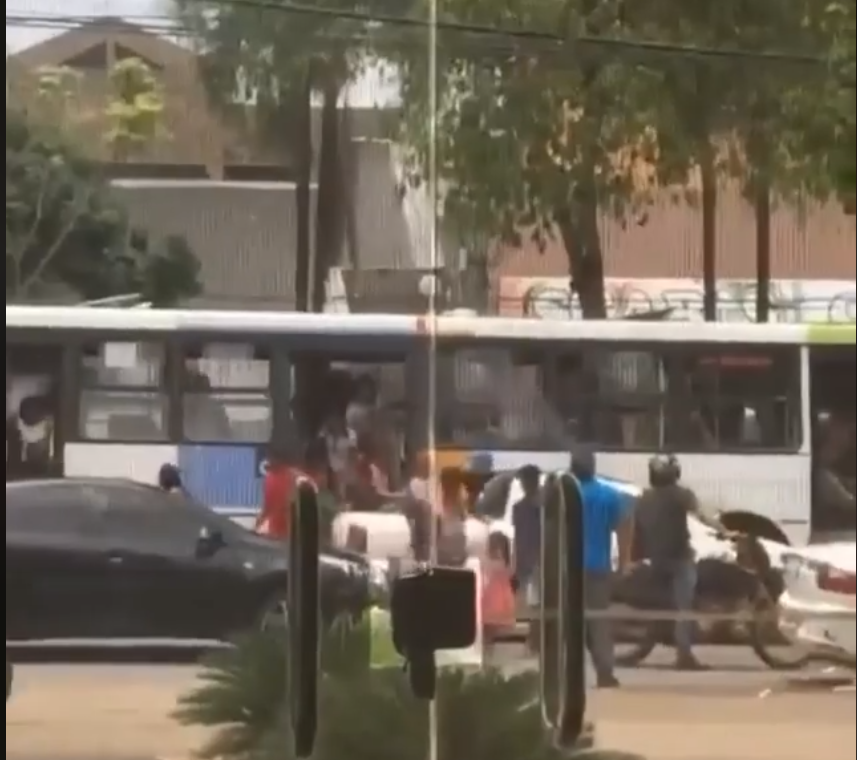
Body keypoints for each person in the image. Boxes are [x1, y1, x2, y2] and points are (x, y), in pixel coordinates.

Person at [633, 453, 722, 670]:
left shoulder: (644, 498)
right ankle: (684, 654)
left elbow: (638, 531)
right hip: (679, 561)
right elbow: (703, 516)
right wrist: (725, 530)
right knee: (685, 605)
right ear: (675, 473)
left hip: (656, 561)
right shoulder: (681, 495)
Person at [572, 446, 633, 688]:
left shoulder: (566, 493)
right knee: (599, 621)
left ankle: (569, 673)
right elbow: (625, 524)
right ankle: (604, 672)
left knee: (568, 621)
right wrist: (625, 560)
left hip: (568, 569)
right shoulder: (608, 495)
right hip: (598, 567)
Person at [255, 442, 297, 539]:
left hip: (288, 534)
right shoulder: (269, 478)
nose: (269, 460)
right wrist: (257, 525)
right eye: (269, 457)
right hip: (275, 532)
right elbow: (267, 507)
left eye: (272, 457)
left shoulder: (292, 477)